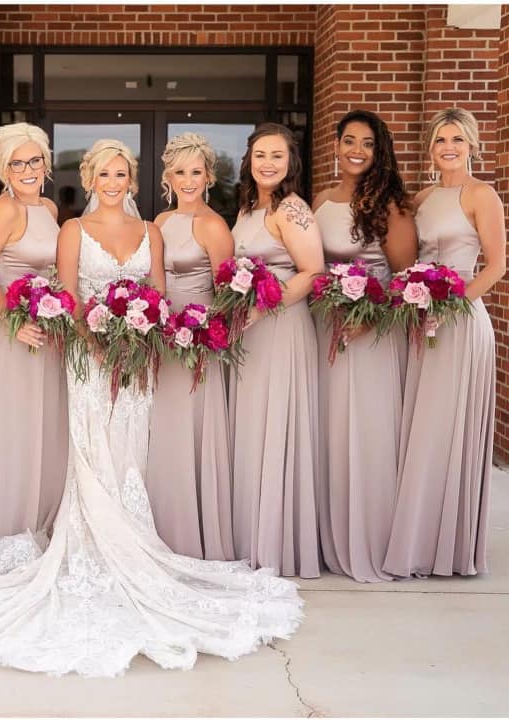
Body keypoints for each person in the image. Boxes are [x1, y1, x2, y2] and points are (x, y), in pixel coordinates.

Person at [0, 138, 303, 678]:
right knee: (93, 449)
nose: (113, 183)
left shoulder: (152, 233)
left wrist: (142, 337)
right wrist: (94, 341)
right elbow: (68, 295)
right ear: (91, 179)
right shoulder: (70, 229)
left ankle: (136, 542)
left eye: (122, 174)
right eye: (104, 174)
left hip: (139, 358)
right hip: (88, 359)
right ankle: (90, 544)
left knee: (132, 450)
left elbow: (158, 293)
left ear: (132, 180)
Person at [383, 108, 505, 577]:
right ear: (430, 148)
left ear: (472, 144)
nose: (448, 147)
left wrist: (450, 306)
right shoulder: (423, 199)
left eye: (456, 139)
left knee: (450, 427)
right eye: (440, 140)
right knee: (422, 428)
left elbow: (496, 265)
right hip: (420, 321)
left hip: (460, 322)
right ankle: (417, 540)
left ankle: (449, 548)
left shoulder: (481, 195)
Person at [313, 109, 417, 583]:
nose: (357, 150)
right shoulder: (321, 200)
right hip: (324, 329)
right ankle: (326, 534)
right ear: (335, 145)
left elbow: (406, 280)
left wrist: (368, 319)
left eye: (368, 143)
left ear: (379, 151)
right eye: (349, 140)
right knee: (329, 430)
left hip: (369, 334)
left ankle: (369, 537)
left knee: (366, 432)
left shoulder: (390, 205)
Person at [0, 122, 68, 552]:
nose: (27, 170)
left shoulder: (48, 209)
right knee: (14, 427)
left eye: (33, 160)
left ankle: (38, 521)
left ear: (46, 162)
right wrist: (12, 321)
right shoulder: (3, 210)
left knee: (40, 428)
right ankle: (6, 531)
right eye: (16, 164)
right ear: (4, 170)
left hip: (43, 332)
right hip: (9, 333)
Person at [229, 123, 324, 579]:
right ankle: (250, 534)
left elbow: (313, 271)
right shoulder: (249, 207)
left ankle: (276, 540)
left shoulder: (293, 208)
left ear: (291, 162)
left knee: (277, 423)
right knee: (253, 425)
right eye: (260, 155)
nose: (267, 163)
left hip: (281, 327)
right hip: (253, 330)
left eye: (277, 156)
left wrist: (262, 308)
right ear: (249, 159)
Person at [145, 132, 235, 561]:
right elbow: (153, 281)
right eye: (179, 172)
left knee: (192, 428)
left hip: (198, 343)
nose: (187, 180)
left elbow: (227, 294)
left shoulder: (215, 226)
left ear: (208, 176)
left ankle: (195, 535)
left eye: (195, 172)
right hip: (163, 339)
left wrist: (202, 333)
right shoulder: (161, 222)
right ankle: (162, 529)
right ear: (168, 176)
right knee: (163, 430)